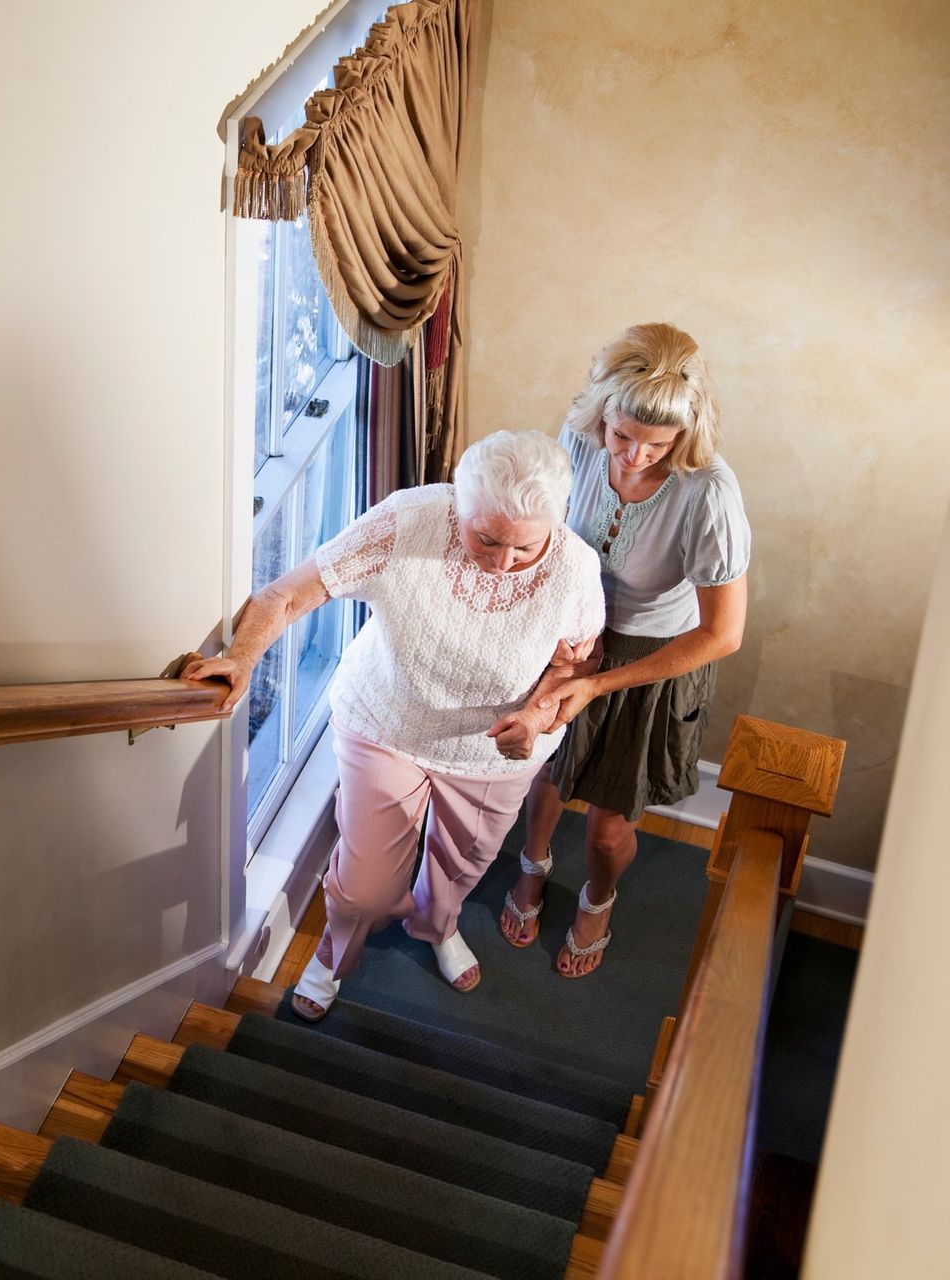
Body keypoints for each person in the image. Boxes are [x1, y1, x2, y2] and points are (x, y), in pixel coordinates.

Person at [186, 431, 605, 1020]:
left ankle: (438, 926)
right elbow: (287, 596)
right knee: (365, 888)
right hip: (388, 720)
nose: (502, 563)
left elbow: (578, 664)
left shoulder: (576, 569)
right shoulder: (408, 521)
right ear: (457, 501)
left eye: (524, 548)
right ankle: (333, 955)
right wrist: (242, 658)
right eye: (485, 538)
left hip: (494, 751)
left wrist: (536, 716)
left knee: (464, 863)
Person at [496, 322, 750, 978]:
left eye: (658, 445)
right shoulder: (577, 442)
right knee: (547, 774)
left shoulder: (709, 494)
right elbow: (549, 536)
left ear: (685, 435)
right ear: (602, 413)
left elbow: (722, 633)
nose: (635, 457)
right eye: (623, 437)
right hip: (573, 632)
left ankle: (598, 896)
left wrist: (600, 683)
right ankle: (534, 864)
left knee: (610, 826)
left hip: (651, 657)